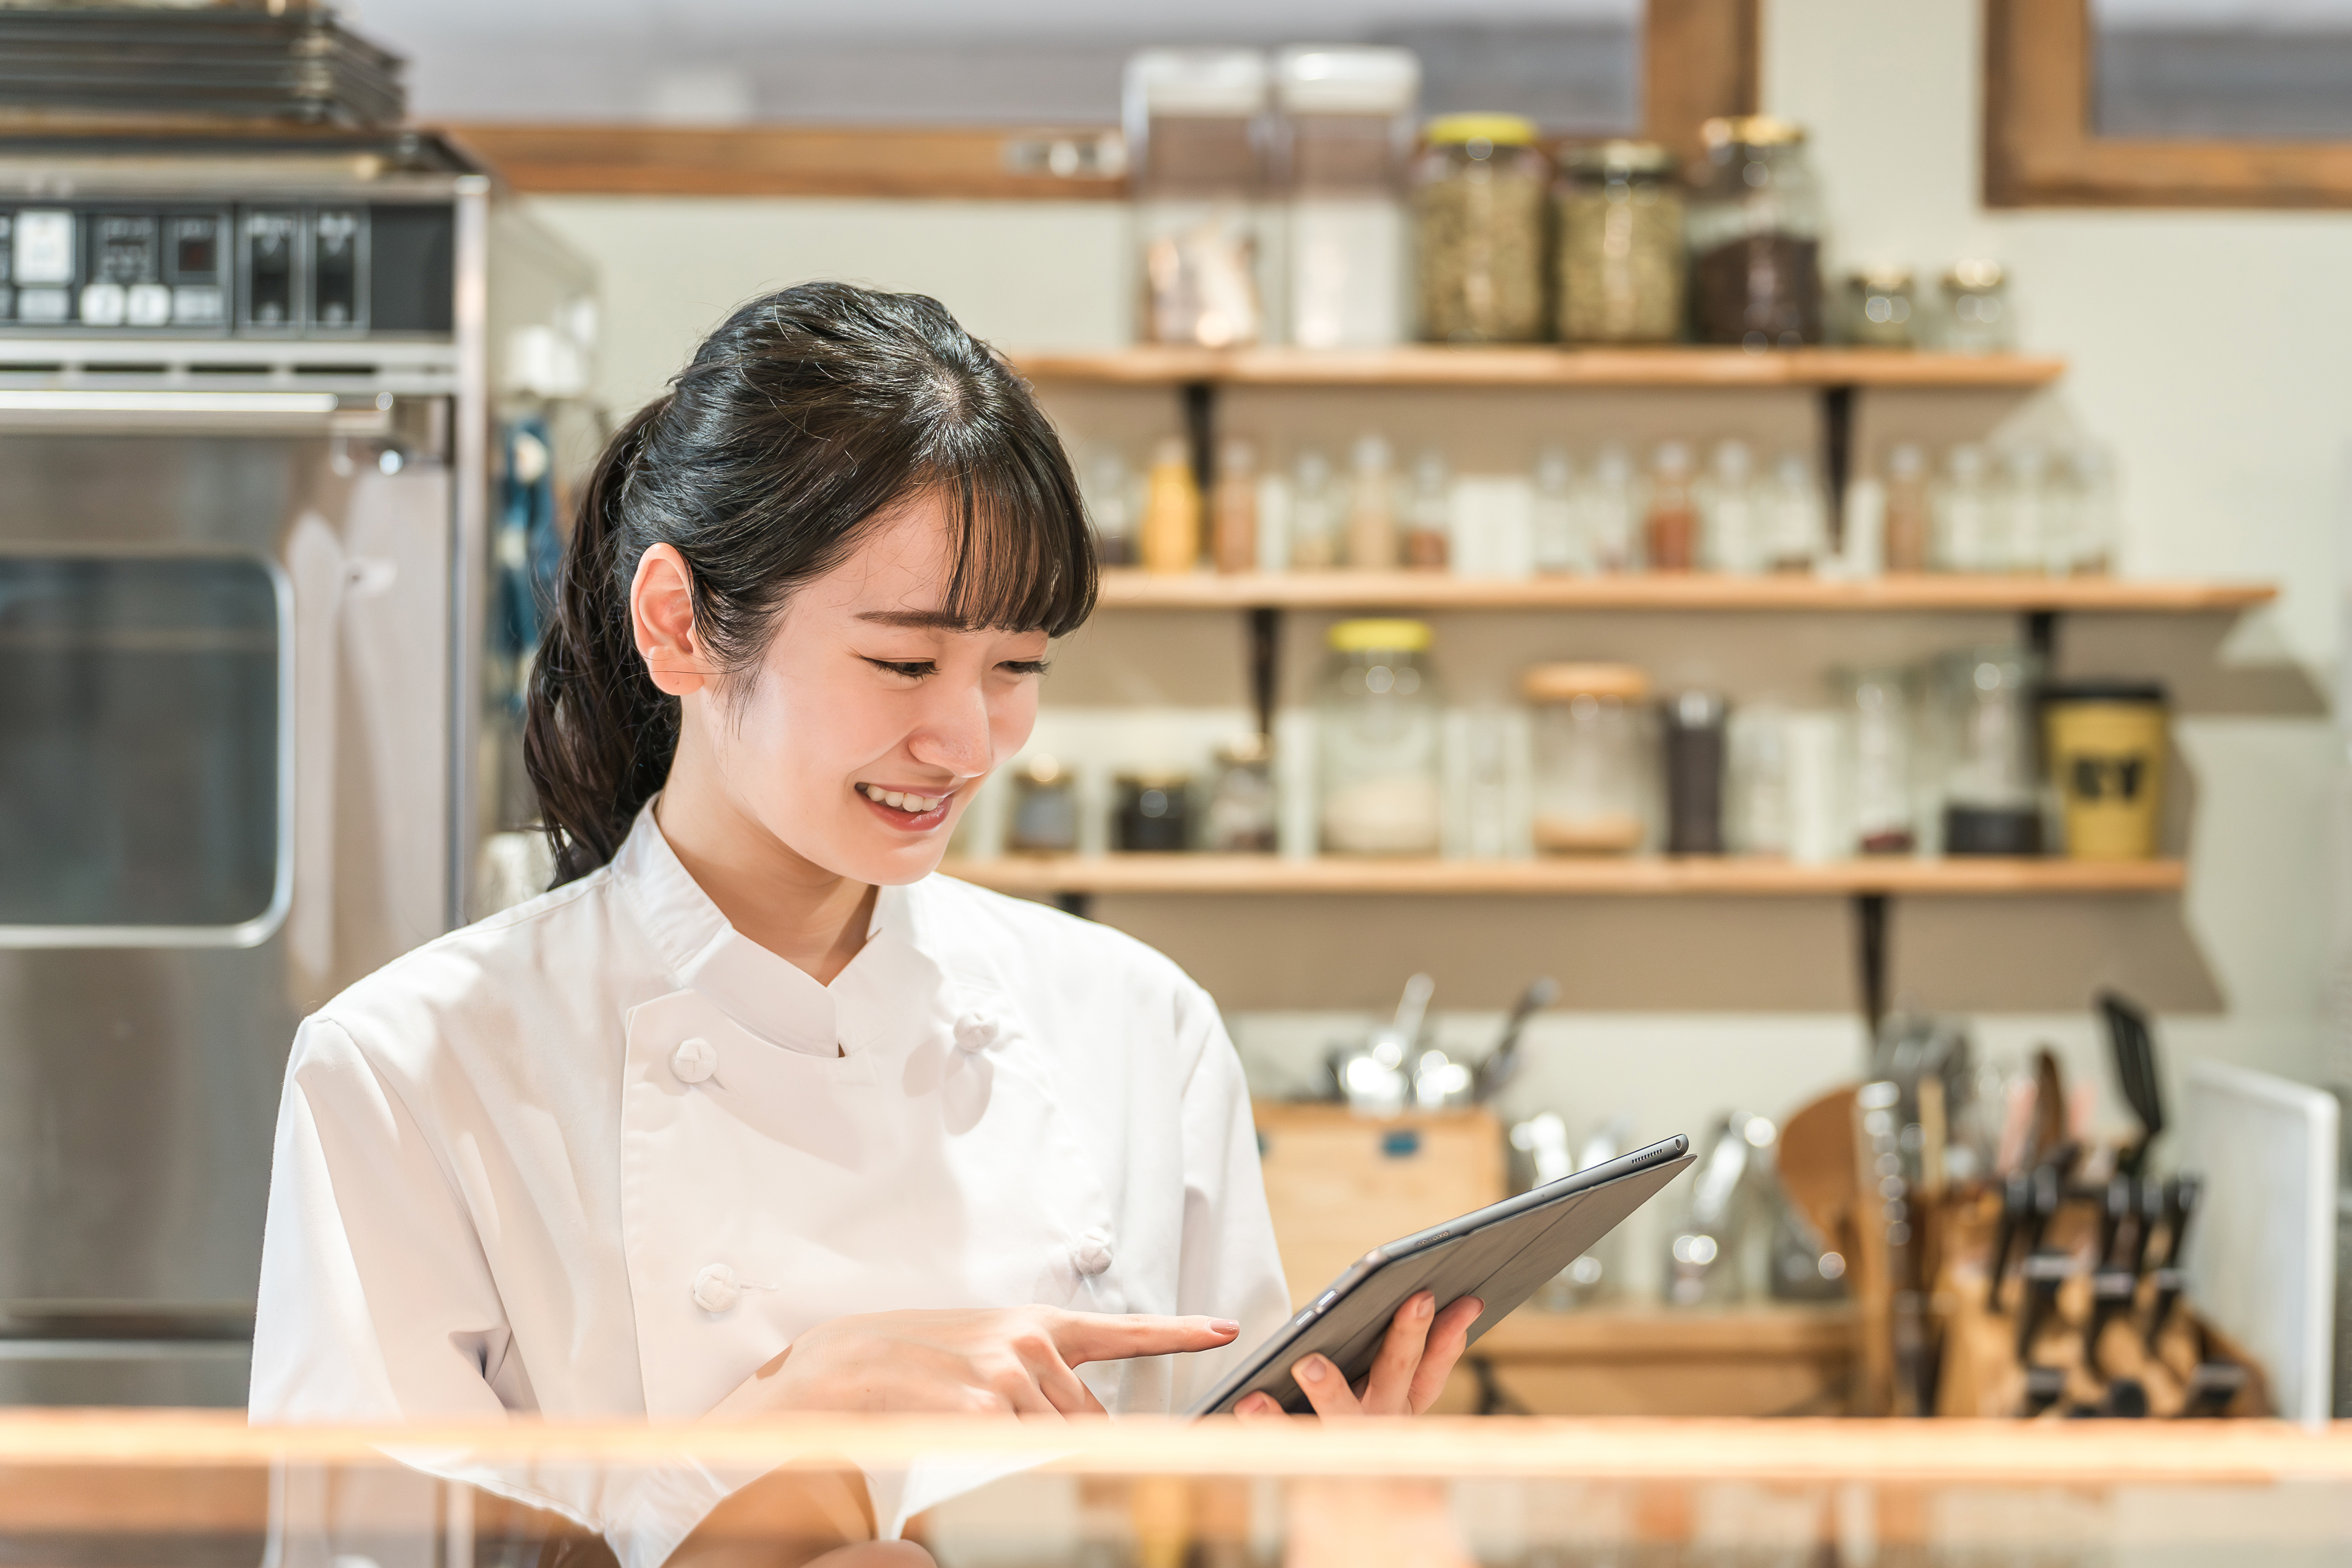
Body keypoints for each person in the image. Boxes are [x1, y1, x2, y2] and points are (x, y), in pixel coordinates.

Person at [248, 283, 1481, 1567]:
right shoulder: (410, 1069)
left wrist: (1309, 1506)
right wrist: (778, 1423)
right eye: (903, 662)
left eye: (1016, 668)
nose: (965, 742)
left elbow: (1195, 1528)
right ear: (677, 624)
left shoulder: (1134, 1023)